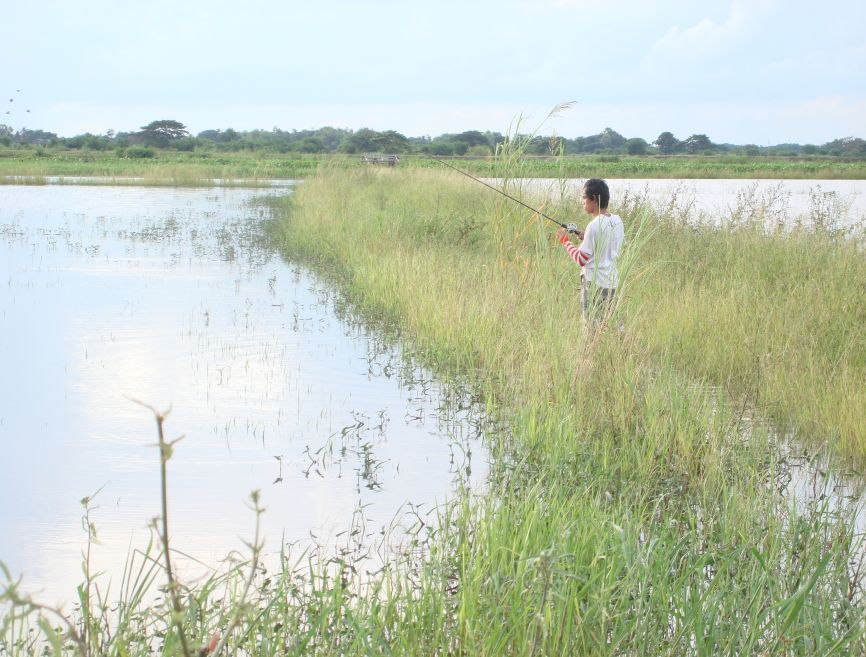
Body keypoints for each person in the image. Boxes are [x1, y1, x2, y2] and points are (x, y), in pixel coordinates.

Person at [556, 178, 624, 323]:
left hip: (595, 284)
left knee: (591, 326)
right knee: (607, 324)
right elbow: (606, 244)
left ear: (594, 199)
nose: (582, 201)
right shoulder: (617, 221)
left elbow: (581, 259)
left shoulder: (594, 226)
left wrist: (565, 241)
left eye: (584, 197)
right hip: (611, 282)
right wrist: (585, 237)